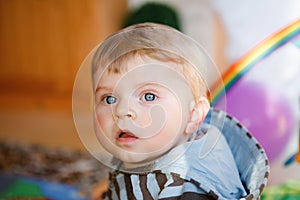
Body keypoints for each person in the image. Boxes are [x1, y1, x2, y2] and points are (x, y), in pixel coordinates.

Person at [91, 23, 247, 199]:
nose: (121, 111)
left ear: (193, 115)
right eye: (109, 99)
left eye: (149, 96)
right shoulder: (147, 147)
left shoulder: (191, 186)